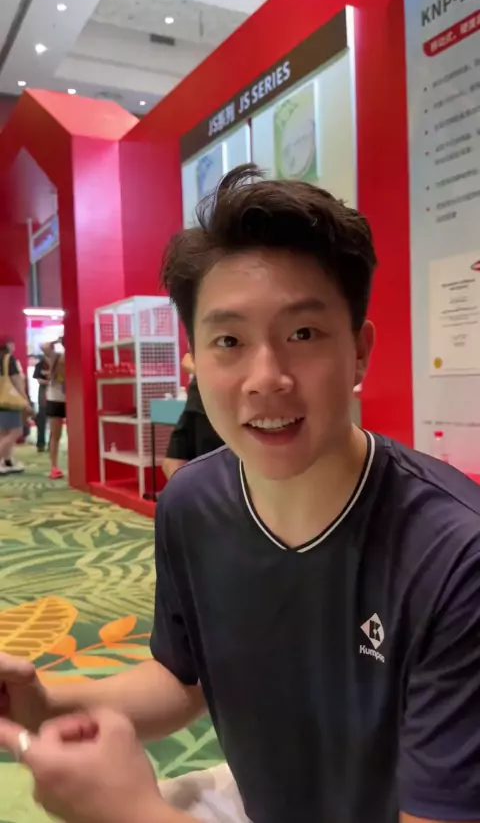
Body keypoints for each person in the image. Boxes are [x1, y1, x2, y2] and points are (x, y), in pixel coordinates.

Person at [1, 164, 480, 823]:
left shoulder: (455, 556)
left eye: (303, 334)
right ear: (195, 364)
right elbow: (184, 680)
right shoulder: (192, 504)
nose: (266, 377)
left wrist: (136, 814)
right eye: (228, 341)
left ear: (360, 351)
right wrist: (46, 704)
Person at [163, 352, 224, 480]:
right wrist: (207, 370)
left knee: (209, 466)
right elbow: (187, 360)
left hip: (214, 409)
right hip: (193, 407)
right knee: (172, 463)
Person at [0, 338, 29, 474]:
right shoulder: (8, 359)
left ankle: (7, 461)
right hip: (8, 400)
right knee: (16, 431)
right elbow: (16, 381)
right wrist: (25, 400)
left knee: (3, 432)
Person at [43, 339, 66, 480]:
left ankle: (56, 467)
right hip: (56, 398)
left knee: (72, 435)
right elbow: (44, 346)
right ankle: (54, 467)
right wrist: (57, 340)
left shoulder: (75, 356)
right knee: (55, 435)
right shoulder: (56, 355)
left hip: (71, 399)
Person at [33, 351, 50, 452]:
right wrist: (50, 382)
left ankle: (51, 444)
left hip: (55, 391)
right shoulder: (40, 365)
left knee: (53, 419)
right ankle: (40, 444)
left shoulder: (56, 362)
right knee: (42, 418)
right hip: (44, 392)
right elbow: (39, 380)